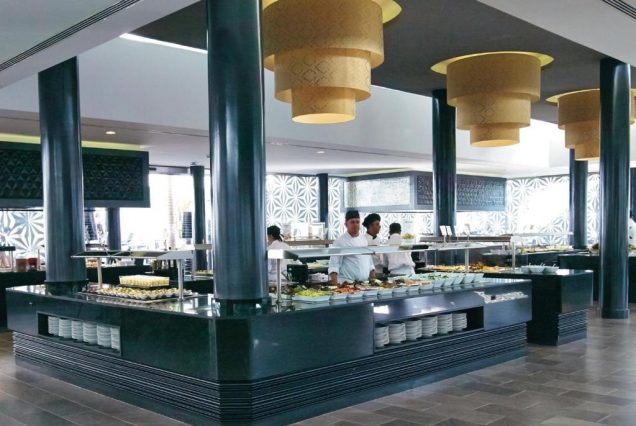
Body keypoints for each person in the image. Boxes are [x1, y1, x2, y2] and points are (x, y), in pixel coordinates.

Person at [328, 210, 376, 284]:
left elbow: (369, 261)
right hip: (347, 284)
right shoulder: (339, 241)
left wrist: (373, 277)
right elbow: (334, 265)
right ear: (346, 224)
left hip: (364, 283)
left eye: (357, 222)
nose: (355, 225)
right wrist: (334, 285)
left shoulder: (363, 239)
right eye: (352, 222)